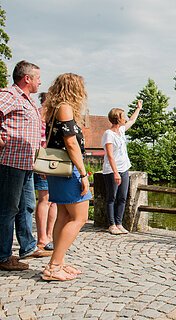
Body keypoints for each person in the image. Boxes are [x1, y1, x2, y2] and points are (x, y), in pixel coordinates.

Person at [0, 60, 52, 272]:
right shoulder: (9, 95)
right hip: (10, 162)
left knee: (26, 207)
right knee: (7, 210)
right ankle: (3, 256)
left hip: (26, 165)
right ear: (27, 78)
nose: (40, 81)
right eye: (38, 77)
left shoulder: (28, 100)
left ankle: (28, 246)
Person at [41, 73, 92, 281]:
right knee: (80, 218)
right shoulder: (65, 108)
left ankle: (58, 261)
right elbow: (71, 144)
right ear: (74, 89)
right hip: (68, 170)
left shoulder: (55, 109)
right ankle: (53, 267)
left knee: (63, 216)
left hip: (58, 171)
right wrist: (83, 173)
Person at [102, 101, 143, 235]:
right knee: (111, 197)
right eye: (123, 116)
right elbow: (110, 155)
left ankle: (119, 223)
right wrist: (115, 173)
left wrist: (138, 108)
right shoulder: (109, 134)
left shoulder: (121, 130)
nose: (125, 118)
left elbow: (132, 120)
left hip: (124, 168)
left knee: (122, 197)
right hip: (112, 170)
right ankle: (111, 224)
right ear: (117, 118)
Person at [34, 92, 57, 251]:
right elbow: (38, 141)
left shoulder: (51, 117)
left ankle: (50, 236)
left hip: (53, 161)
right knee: (45, 199)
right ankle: (42, 238)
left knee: (54, 199)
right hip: (44, 161)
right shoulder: (39, 115)